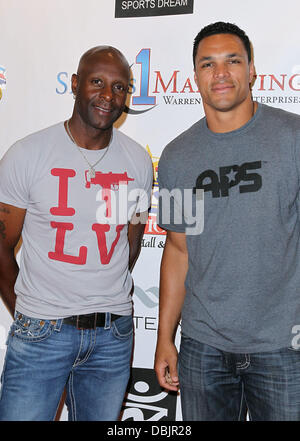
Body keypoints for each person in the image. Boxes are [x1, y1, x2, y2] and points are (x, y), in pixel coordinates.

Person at [154, 21, 300, 421]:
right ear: (195, 77)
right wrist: (165, 337)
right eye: (208, 64)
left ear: (252, 70)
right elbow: (179, 249)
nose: (220, 74)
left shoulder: (293, 137)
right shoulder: (177, 156)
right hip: (204, 347)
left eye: (232, 61)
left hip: (285, 346)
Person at [0, 46, 153, 421]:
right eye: (97, 82)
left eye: (120, 87)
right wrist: (28, 313)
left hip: (112, 336)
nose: (108, 95)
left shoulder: (137, 160)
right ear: (75, 84)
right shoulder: (28, 154)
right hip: (41, 331)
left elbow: (129, 246)